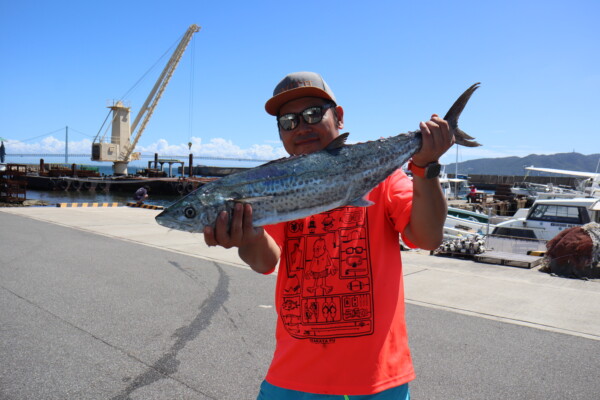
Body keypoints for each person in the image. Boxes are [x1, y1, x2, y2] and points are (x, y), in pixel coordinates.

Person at [203, 72, 454, 399]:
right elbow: (266, 261)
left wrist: (426, 167)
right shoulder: (276, 184)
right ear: (280, 133)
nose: (301, 126)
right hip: (291, 378)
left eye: (312, 114)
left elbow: (427, 237)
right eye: (288, 121)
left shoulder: (384, 179)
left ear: (339, 117)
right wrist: (246, 237)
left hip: (376, 382)